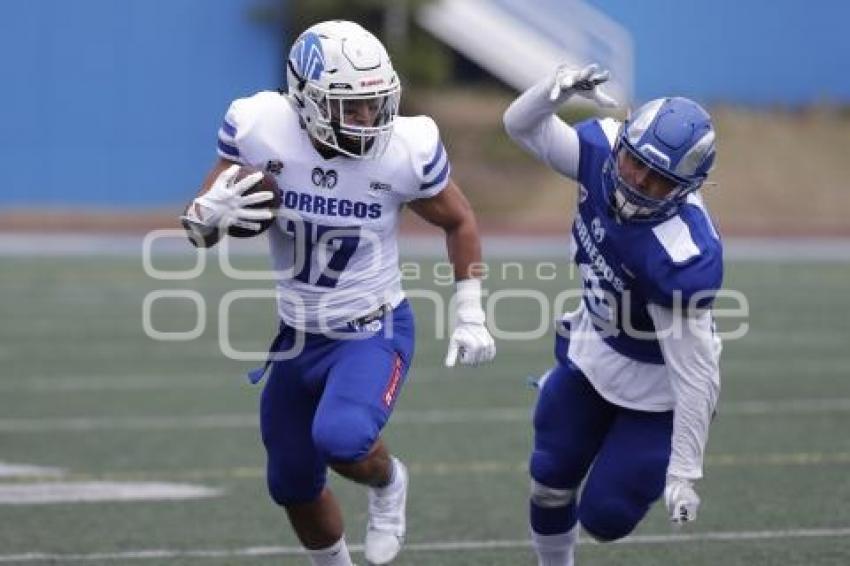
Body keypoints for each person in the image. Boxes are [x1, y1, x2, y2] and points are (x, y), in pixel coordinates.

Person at [181, 20, 496, 566]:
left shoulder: (405, 148)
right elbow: (200, 229)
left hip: (372, 328)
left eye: (375, 104)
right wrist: (208, 218)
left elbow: (460, 219)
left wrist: (470, 312)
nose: (367, 119)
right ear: (304, 100)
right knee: (291, 483)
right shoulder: (260, 128)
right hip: (297, 337)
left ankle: (390, 482)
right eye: (350, 107)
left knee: (343, 438)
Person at [503, 64, 722, 565]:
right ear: (622, 142)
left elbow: (696, 375)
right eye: (636, 163)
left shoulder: (679, 253)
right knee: (549, 479)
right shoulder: (601, 151)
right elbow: (520, 126)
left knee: (605, 518)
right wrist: (549, 90)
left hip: (657, 392)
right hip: (593, 349)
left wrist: (686, 471)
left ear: (687, 188)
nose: (638, 182)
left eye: (660, 180)